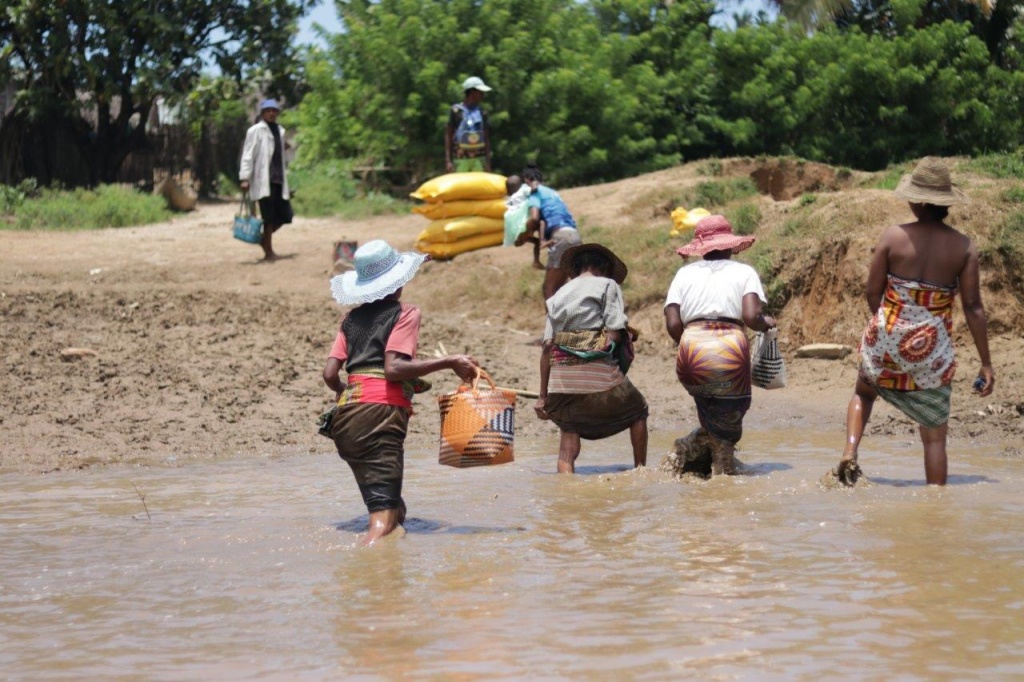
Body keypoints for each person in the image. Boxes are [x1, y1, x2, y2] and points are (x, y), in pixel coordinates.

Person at [836, 157, 994, 486]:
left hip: (886, 333)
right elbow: (974, 307)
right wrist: (986, 364)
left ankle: (850, 453)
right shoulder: (964, 247)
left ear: (919, 201)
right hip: (931, 348)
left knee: (864, 394)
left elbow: (872, 293)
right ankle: (934, 501)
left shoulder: (893, 236)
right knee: (935, 438)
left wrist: (889, 329)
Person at [322, 240, 479, 545]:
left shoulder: (349, 320)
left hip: (345, 420)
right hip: (380, 417)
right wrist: (449, 360)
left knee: (391, 508)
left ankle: (384, 568)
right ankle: (371, 562)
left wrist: (348, 393)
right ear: (399, 282)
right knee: (382, 522)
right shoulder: (405, 313)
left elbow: (330, 374)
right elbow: (393, 368)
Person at [664, 215, 776, 476]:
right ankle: (722, 473)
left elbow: (672, 324)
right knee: (732, 408)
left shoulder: (683, 274)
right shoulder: (745, 272)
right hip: (730, 348)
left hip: (691, 347)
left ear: (701, 248)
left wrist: (693, 346)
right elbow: (751, 317)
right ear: (729, 245)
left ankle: (699, 455)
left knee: (707, 400)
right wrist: (766, 322)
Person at [534, 243, 648, 474]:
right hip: (596, 374)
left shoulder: (557, 295)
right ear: (605, 268)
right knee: (638, 411)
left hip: (561, 381)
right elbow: (615, 331)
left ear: (576, 269)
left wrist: (543, 396)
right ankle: (641, 471)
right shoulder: (608, 285)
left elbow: (547, 347)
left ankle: (567, 488)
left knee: (569, 430)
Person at [239, 98, 293, 261]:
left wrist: (286, 148)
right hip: (263, 180)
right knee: (268, 217)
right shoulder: (255, 130)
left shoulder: (280, 131)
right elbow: (248, 155)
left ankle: (263, 239)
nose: (271, 113)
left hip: (279, 180)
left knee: (286, 215)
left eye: (274, 111)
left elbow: (285, 156)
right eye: (268, 111)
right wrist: (245, 177)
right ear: (263, 113)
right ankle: (268, 251)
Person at [517, 163, 582, 299]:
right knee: (565, 289)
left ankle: (553, 321)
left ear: (527, 180)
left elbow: (534, 218)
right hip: (574, 236)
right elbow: (543, 221)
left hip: (561, 238)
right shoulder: (552, 193)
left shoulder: (534, 193)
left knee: (549, 289)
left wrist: (521, 236)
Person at [445, 76, 492, 173]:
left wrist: (488, 161)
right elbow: (448, 136)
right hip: (460, 158)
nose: (483, 95)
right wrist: (448, 160)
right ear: (472, 92)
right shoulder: (456, 111)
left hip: (479, 158)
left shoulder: (482, 112)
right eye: (480, 92)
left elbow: (486, 138)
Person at [505, 175, 542, 268]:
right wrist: (536, 184)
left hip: (514, 227)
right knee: (539, 223)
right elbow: (534, 190)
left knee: (536, 241)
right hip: (524, 225)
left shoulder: (510, 198)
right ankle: (537, 258)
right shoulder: (523, 191)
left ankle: (536, 262)